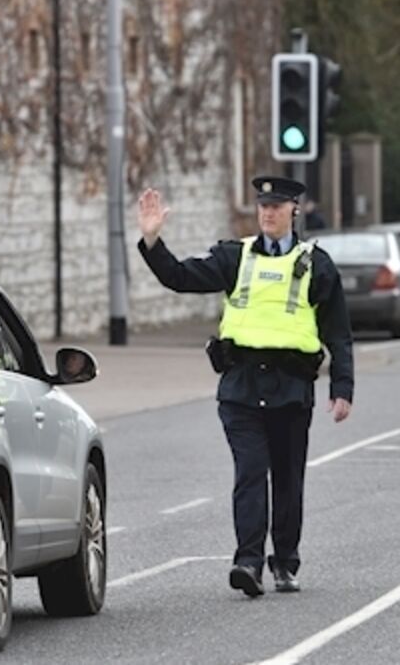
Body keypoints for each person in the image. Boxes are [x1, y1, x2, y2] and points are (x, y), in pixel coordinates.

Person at [136, 175, 354, 598]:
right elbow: (179, 277)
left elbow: (338, 332)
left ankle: (285, 560)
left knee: (287, 479)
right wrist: (152, 240)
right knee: (251, 472)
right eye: (263, 206)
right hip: (241, 387)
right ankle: (248, 562)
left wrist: (342, 388)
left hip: (291, 388)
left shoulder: (317, 263)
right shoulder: (234, 256)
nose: (268, 213)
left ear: (294, 210)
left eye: (277, 206)